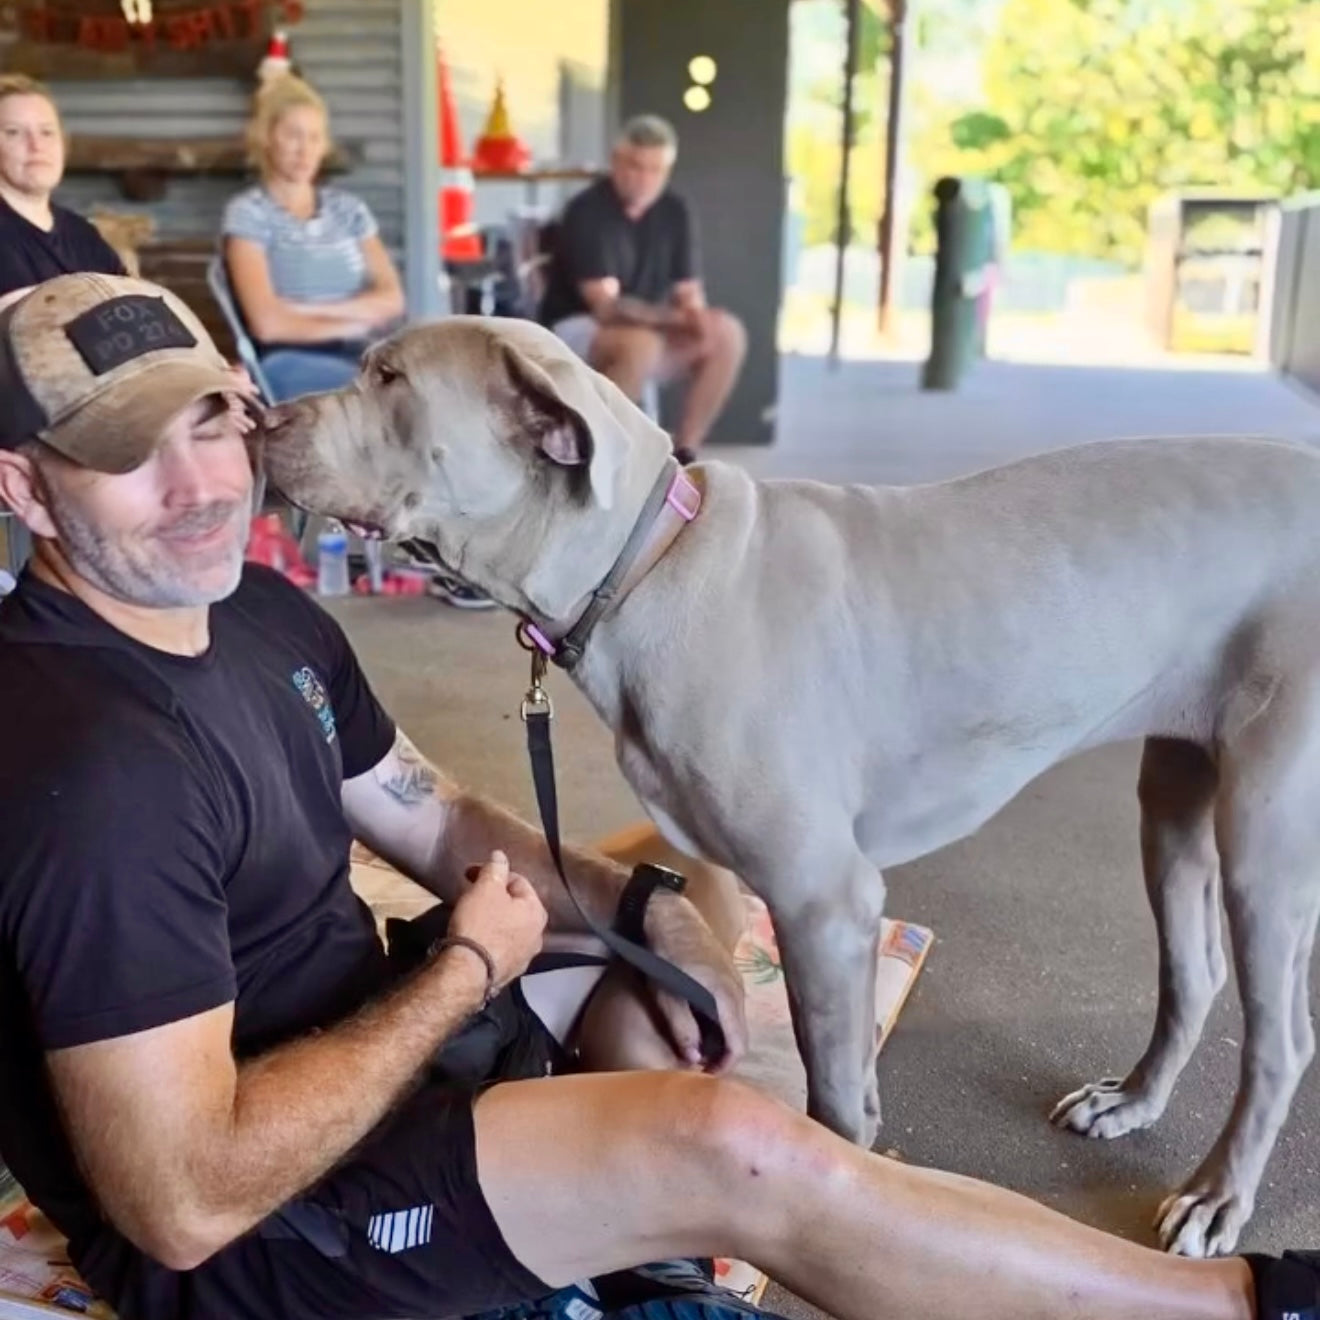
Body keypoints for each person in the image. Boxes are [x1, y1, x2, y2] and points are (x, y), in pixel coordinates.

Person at [0, 274, 1314, 1320]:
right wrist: (465, 972)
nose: (206, 485)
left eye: (214, 421)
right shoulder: (88, 774)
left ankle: (645, 1268)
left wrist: (651, 912)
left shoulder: (256, 615)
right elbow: (187, 1203)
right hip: (276, 1224)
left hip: (378, 1034)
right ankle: (1228, 1303)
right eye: (129, 455)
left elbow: (433, 817)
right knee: (737, 1145)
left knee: (673, 936)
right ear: (23, 487)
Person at [538, 116, 746, 464]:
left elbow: (688, 290)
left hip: (651, 325)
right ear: (616, 161)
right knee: (640, 344)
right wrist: (676, 319)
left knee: (727, 333)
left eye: (655, 169)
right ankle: (598, 454)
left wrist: (697, 317)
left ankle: (684, 453)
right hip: (577, 325)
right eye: (635, 166)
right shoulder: (587, 211)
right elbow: (606, 307)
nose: (644, 178)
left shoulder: (675, 211)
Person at [222, 75, 404, 404]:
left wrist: (304, 310)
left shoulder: (348, 210)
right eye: (293, 135)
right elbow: (268, 325)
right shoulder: (249, 214)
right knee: (396, 396)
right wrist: (356, 322)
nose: (304, 150)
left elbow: (392, 299)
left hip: (362, 352)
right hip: (288, 360)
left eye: (315, 137)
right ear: (266, 138)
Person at [0, 75, 126, 307]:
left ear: (64, 144)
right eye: (14, 132)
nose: (36, 146)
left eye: (47, 132)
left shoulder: (84, 236)